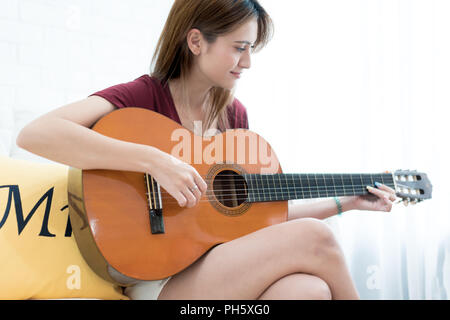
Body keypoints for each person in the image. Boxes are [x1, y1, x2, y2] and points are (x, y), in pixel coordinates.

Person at [16, 0, 397, 300]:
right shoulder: (144, 96)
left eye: (251, 50)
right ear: (196, 41)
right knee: (318, 237)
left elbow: (259, 216)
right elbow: (37, 134)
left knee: (309, 290)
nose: (247, 62)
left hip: (216, 270)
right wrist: (154, 161)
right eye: (239, 48)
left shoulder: (234, 116)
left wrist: (347, 202)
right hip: (158, 280)